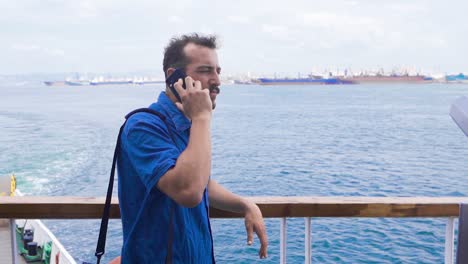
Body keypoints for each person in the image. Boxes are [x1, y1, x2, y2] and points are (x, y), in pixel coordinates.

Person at [117, 33, 268, 263]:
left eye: (218, 71)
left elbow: (200, 181)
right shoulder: (143, 126)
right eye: (206, 70)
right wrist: (202, 117)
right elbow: (188, 191)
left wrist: (244, 203)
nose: (216, 80)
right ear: (173, 76)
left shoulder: (188, 124)